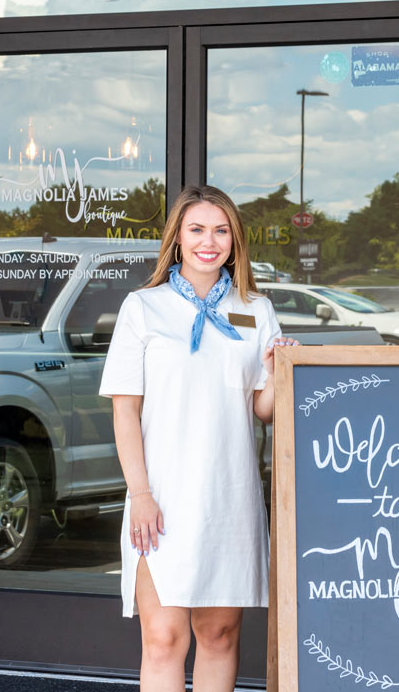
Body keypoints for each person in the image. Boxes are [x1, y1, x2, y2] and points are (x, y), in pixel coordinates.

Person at [99, 185, 297, 692]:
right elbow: (125, 411)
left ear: (235, 239)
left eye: (220, 230)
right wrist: (139, 495)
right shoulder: (143, 308)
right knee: (163, 638)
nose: (209, 242)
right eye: (197, 229)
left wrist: (277, 373)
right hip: (160, 496)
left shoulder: (257, 309)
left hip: (228, 496)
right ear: (178, 239)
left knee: (218, 633)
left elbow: (262, 411)